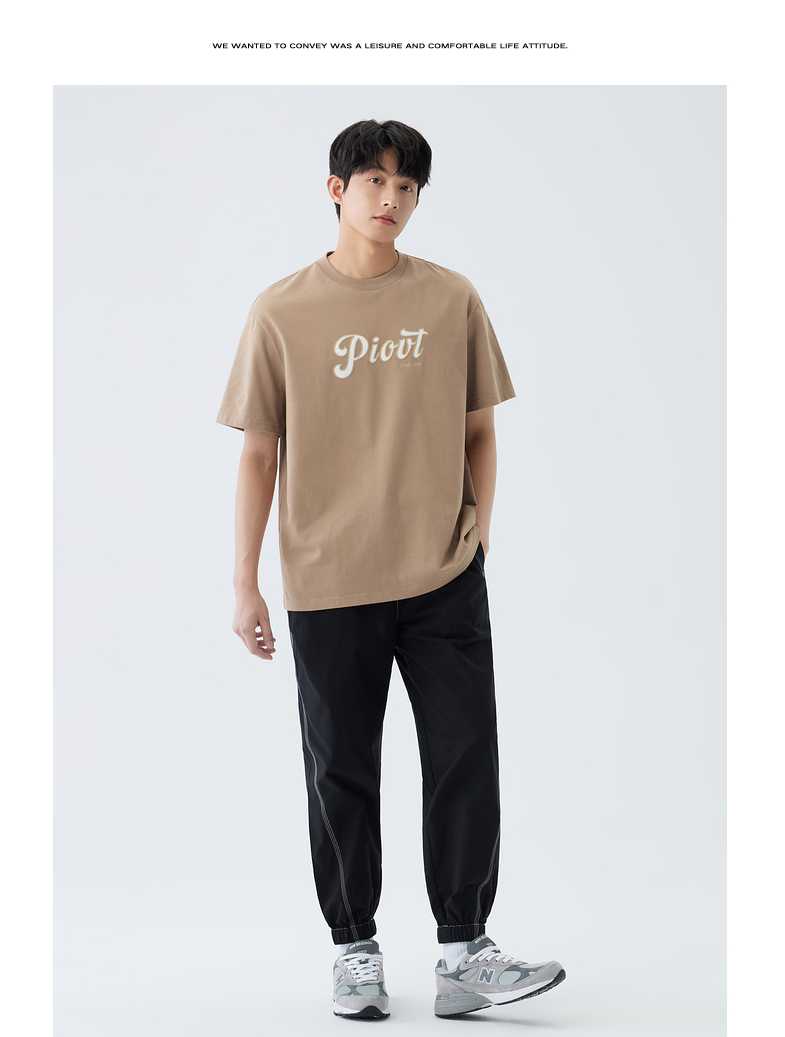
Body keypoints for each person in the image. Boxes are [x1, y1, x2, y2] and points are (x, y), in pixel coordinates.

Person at [216, 119, 566, 1019]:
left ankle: (464, 952)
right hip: (329, 578)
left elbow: (481, 430)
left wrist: (477, 538)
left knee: (466, 756)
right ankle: (354, 951)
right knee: (340, 769)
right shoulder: (281, 310)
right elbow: (259, 453)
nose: (391, 200)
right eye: (374, 181)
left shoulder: (451, 299)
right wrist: (245, 581)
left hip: (442, 574)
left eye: (407, 187)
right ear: (336, 189)